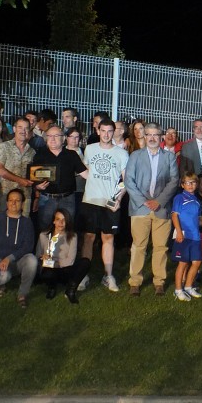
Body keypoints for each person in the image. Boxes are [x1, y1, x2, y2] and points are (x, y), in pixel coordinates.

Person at [124, 122, 180, 295]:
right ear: (144, 136)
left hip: (161, 208)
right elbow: (129, 181)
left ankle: (159, 281)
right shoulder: (135, 156)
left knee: (160, 247)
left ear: (161, 136)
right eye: (149, 134)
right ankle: (135, 281)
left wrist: (159, 201)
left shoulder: (169, 157)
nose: (152, 138)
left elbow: (174, 181)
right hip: (140, 208)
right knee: (139, 246)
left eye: (156, 134)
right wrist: (143, 201)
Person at [80, 118, 129, 292]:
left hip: (110, 203)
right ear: (98, 131)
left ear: (114, 132)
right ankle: (83, 275)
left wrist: (118, 199)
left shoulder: (122, 153)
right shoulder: (90, 149)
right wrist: (94, 181)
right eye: (103, 131)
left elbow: (125, 180)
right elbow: (85, 171)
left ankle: (108, 276)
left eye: (110, 131)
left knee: (108, 238)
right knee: (88, 238)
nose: (107, 134)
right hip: (91, 200)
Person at [32, 125, 88, 235]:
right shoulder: (39, 155)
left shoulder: (72, 155)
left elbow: (85, 174)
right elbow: (34, 177)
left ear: (63, 139)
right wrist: (37, 186)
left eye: (56, 136)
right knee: (45, 230)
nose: (52, 139)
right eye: (49, 136)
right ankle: (45, 252)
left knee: (67, 230)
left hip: (68, 199)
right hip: (47, 199)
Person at [0, 189, 38, 308]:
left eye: (17, 201)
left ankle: (22, 294)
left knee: (32, 260)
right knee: (4, 277)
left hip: (16, 261)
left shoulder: (27, 223)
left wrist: (9, 258)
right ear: (6, 203)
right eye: (10, 200)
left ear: (22, 204)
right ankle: (1, 285)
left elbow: (28, 246)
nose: (13, 203)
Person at [36, 208, 90, 303]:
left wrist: (55, 264)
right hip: (49, 269)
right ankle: (51, 288)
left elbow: (70, 260)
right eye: (58, 219)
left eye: (63, 220)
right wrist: (43, 257)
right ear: (53, 221)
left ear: (67, 222)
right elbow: (38, 254)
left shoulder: (72, 236)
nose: (61, 223)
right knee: (48, 271)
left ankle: (71, 290)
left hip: (65, 269)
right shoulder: (43, 235)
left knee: (85, 261)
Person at [171, 173, 202, 301]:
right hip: (184, 235)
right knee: (183, 263)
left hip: (195, 235)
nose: (191, 185)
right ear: (182, 185)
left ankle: (189, 286)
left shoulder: (196, 200)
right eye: (188, 182)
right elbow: (174, 215)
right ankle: (178, 290)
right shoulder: (179, 197)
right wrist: (179, 232)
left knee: (197, 261)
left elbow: (198, 219)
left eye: (193, 182)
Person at [0, 117, 37, 216]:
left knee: (22, 226)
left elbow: (35, 175)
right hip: (6, 196)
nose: (23, 131)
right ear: (14, 129)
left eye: (26, 128)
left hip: (25, 198)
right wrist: (20, 180)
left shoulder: (33, 152)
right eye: (20, 127)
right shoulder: (3, 147)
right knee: (3, 226)